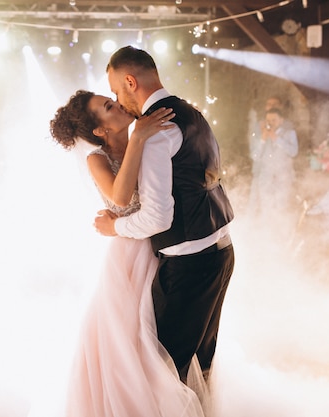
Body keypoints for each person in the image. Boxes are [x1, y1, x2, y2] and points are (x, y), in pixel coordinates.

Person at [44, 90, 206, 417]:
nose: (118, 104)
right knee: (134, 340)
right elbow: (121, 197)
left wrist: (142, 136)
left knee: (165, 332)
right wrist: (139, 138)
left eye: (112, 99)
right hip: (130, 255)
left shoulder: (143, 137)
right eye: (108, 107)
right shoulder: (97, 158)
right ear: (101, 131)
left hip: (166, 243)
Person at [95, 45, 236, 386]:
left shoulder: (155, 133)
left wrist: (115, 227)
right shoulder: (190, 111)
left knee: (163, 372)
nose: (117, 98)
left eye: (115, 91)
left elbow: (158, 219)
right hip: (222, 252)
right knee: (200, 366)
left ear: (130, 81)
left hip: (188, 265)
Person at [247, 107, 299, 226]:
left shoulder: (290, 133)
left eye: (273, 120)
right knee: (267, 208)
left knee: (281, 207)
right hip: (265, 178)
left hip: (283, 177)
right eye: (268, 120)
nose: (270, 123)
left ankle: (281, 235)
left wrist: (277, 139)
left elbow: (293, 152)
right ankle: (268, 234)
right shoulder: (261, 134)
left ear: (281, 120)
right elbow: (254, 156)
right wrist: (263, 140)